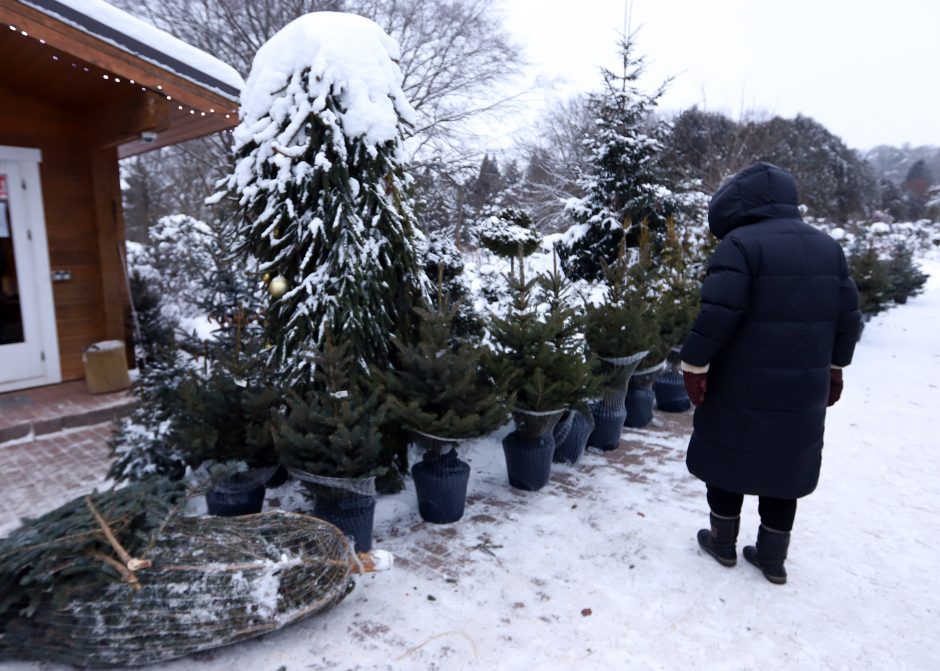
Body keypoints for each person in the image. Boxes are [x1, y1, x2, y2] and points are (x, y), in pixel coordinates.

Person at [680, 162, 861, 585]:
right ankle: (772, 558)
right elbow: (848, 318)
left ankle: (723, 544)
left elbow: (717, 314)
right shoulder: (827, 247)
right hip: (803, 387)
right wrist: (835, 367)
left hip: (739, 382)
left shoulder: (739, 245)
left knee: (728, 455)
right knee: (785, 465)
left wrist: (694, 365)